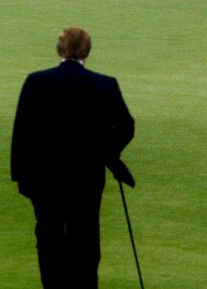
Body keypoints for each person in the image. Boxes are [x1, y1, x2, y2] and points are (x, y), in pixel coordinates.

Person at [11, 27, 135, 289]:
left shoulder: (36, 82)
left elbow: (22, 132)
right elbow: (126, 126)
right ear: (86, 51)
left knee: (49, 240)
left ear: (60, 49)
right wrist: (106, 152)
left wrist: (21, 177)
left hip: (45, 179)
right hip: (86, 178)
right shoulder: (104, 85)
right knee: (86, 239)